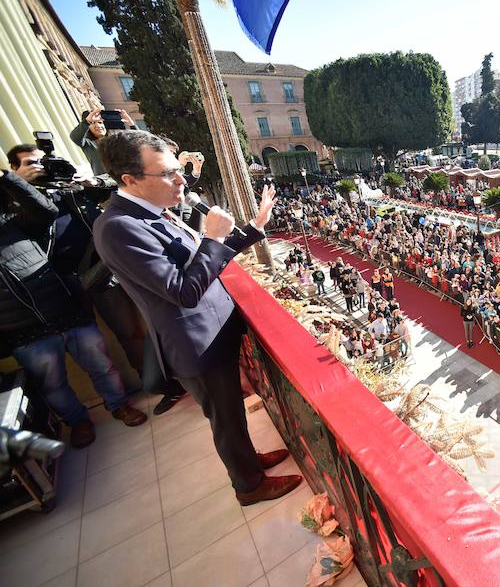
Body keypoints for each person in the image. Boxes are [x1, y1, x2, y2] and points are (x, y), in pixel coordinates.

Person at [92, 130, 301, 506]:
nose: (181, 179)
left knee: (233, 413)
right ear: (130, 180)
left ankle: (249, 461)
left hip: (214, 331)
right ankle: (249, 486)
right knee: (225, 418)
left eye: (179, 169)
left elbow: (207, 263)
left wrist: (253, 229)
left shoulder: (152, 211)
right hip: (195, 343)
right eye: (168, 173)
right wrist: (212, 238)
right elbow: (184, 290)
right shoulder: (119, 228)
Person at [0, 170, 146, 449]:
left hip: (64, 309)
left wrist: (8, 176)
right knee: (52, 384)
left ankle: (119, 406)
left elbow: (45, 209)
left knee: (102, 365)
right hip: (22, 330)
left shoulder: (13, 223)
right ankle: (78, 422)